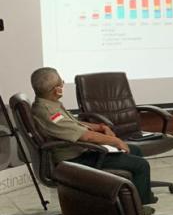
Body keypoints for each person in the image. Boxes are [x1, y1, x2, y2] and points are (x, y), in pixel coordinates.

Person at [29, 67, 156, 207]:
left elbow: (73, 125)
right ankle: (139, 210)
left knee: (135, 150)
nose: (63, 85)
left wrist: (101, 127)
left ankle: (141, 196)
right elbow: (86, 137)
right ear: (56, 89)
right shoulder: (49, 113)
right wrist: (116, 141)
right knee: (141, 165)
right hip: (74, 160)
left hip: (79, 152)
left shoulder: (48, 105)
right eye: (61, 83)